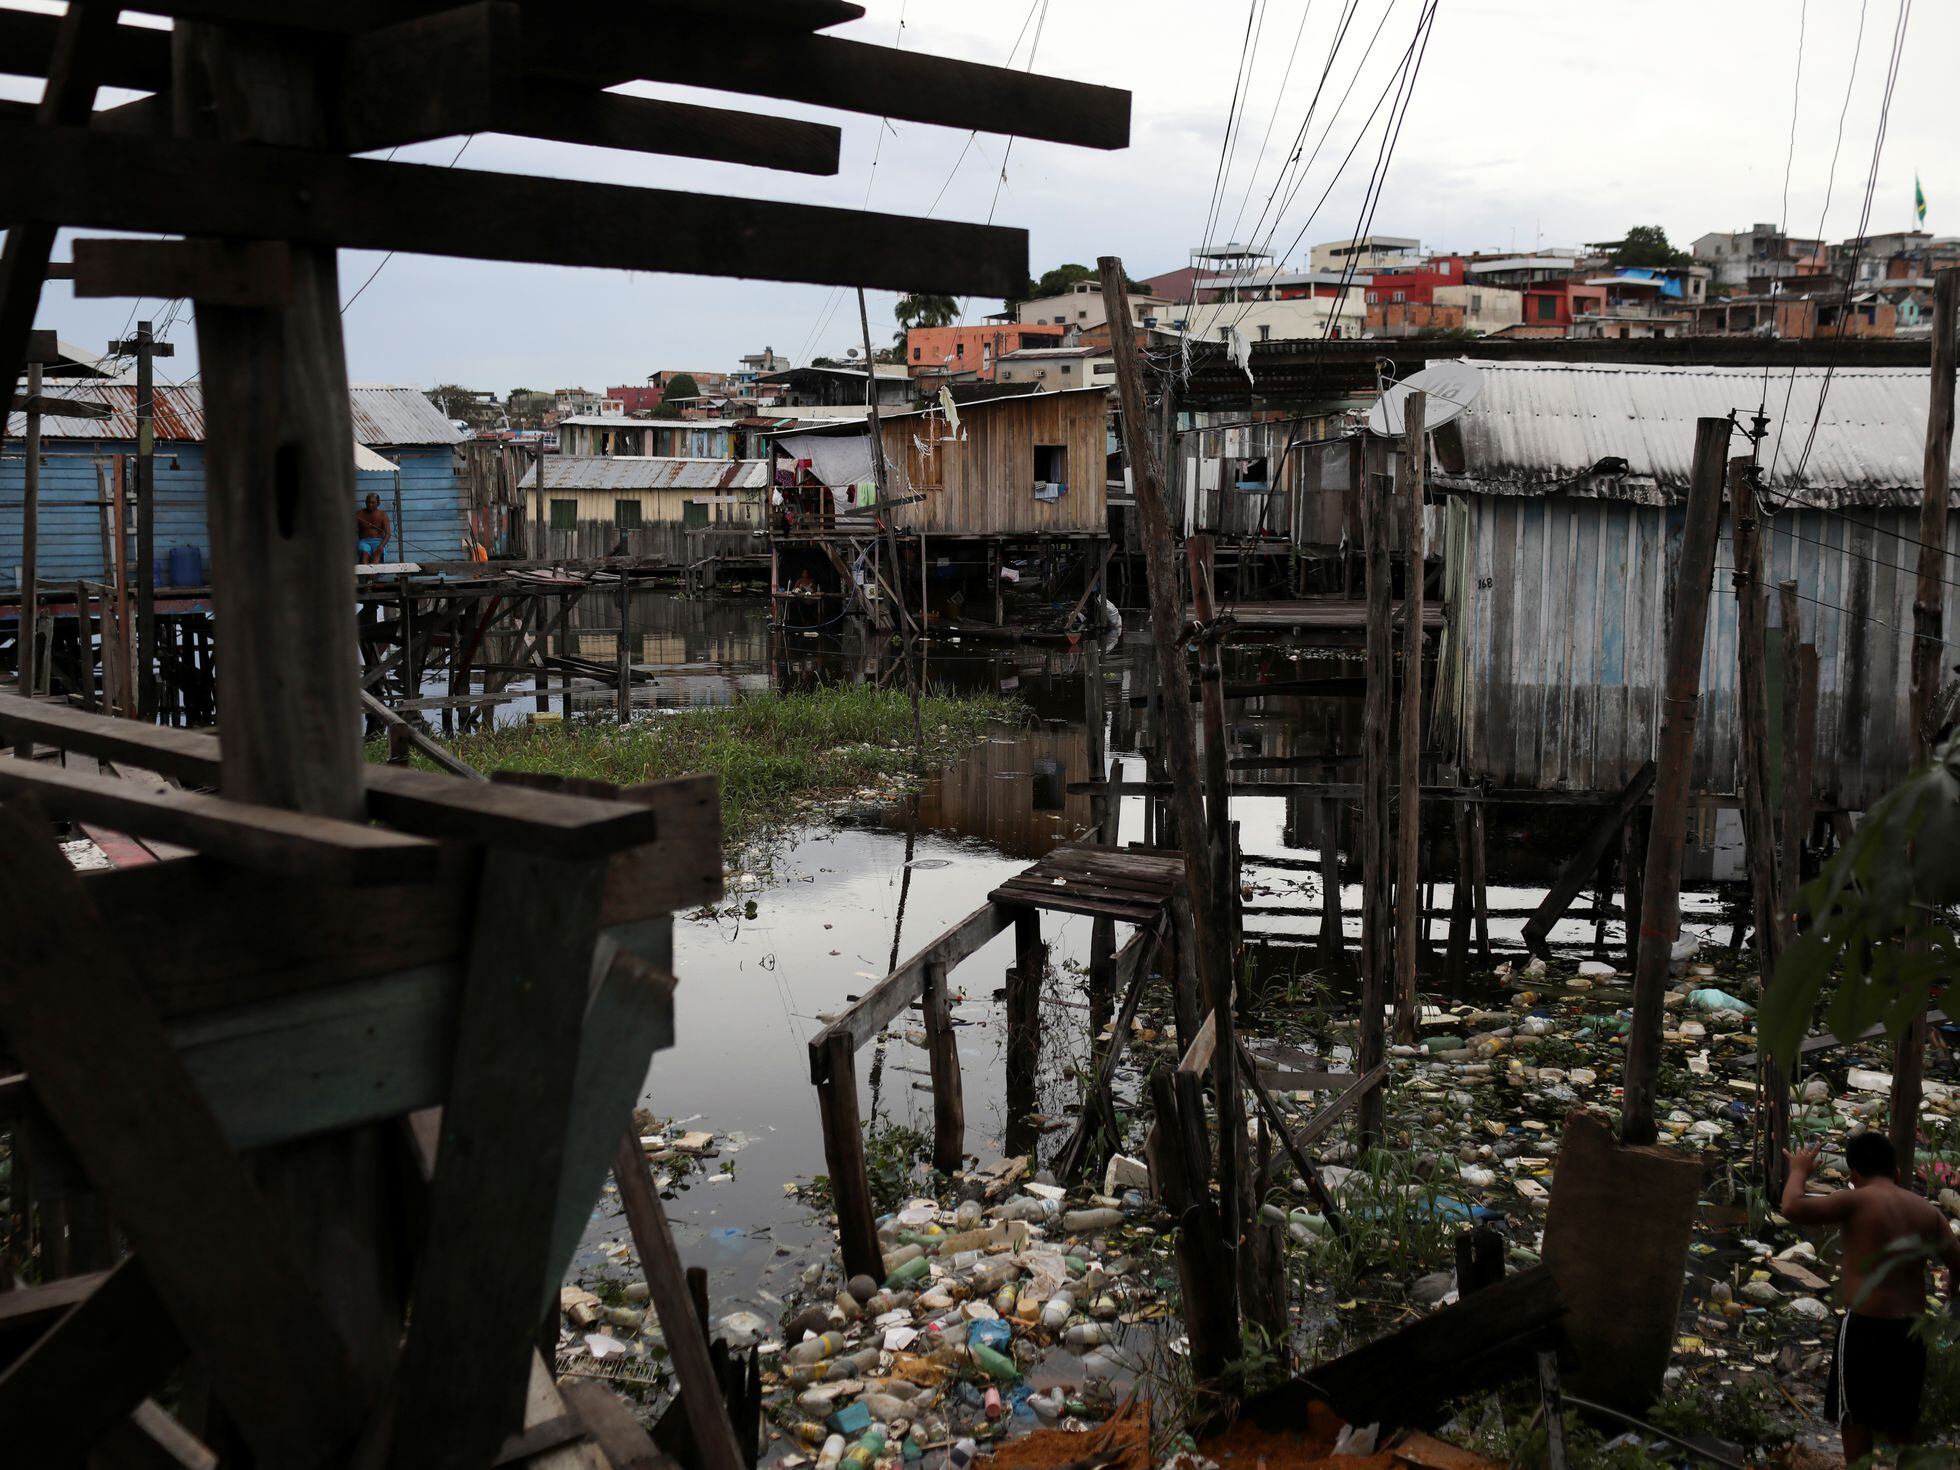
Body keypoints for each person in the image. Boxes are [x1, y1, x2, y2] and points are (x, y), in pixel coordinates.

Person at [1783, 1133, 1960, 1461]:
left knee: (1855, 1418)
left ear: (1853, 1176)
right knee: (1902, 1421)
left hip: (1865, 1326)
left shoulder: (1854, 1199)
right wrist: (1952, 1279)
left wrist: (1798, 1170)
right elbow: (1957, 1260)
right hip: (1911, 1332)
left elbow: (1792, 1206)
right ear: (1896, 1174)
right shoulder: (1927, 1212)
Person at [356, 493, 392, 564]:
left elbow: (388, 534)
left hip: (378, 541)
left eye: (373, 503)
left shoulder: (382, 515)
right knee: (364, 553)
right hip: (364, 541)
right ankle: (367, 574)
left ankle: (372, 574)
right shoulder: (359, 514)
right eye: (368, 502)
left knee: (378, 554)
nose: (370, 505)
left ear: (378, 503)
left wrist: (381, 545)